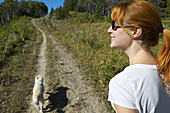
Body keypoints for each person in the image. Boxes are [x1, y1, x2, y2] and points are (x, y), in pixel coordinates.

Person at [107, 0, 170, 113]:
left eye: (114, 25)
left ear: (135, 32)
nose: (109, 30)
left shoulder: (123, 83)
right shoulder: (166, 71)